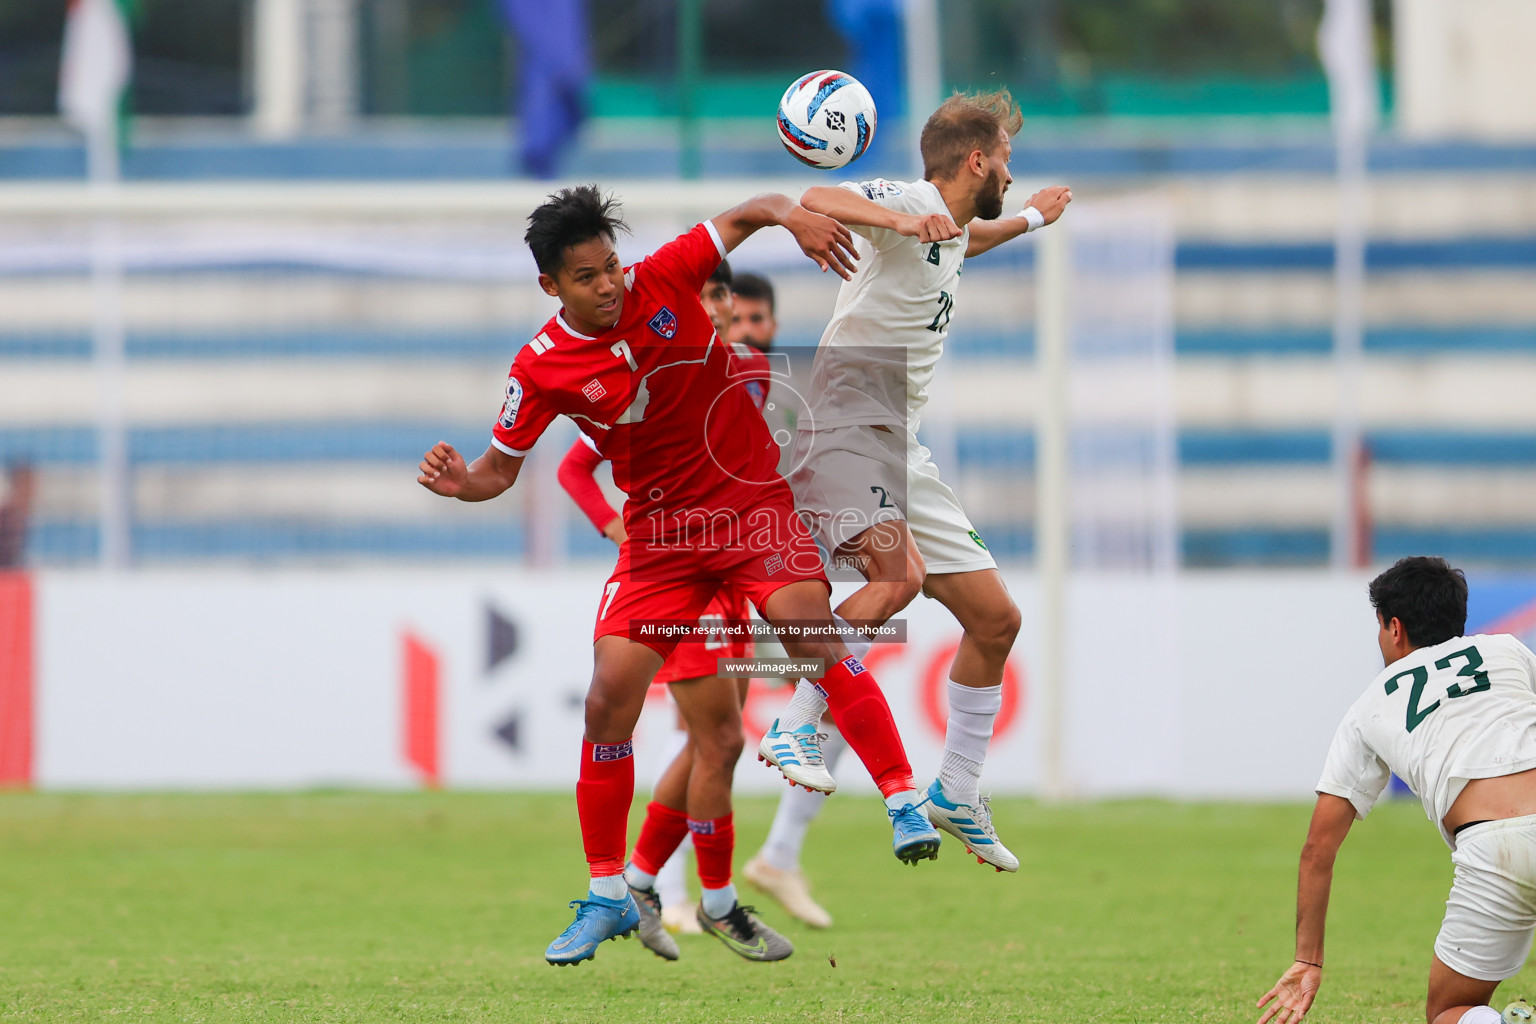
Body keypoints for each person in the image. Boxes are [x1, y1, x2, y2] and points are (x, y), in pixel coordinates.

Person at [418, 184, 942, 968]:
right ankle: (609, 895)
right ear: (551, 285)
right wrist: (463, 482)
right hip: (660, 539)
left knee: (811, 638)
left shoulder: (664, 277)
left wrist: (791, 215)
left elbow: (745, 213)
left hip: (748, 509)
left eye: (611, 268)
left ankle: (904, 800)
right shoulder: (539, 368)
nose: (608, 285)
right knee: (608, 699)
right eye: (587, 276)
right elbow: (500, 471)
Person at [756, 89, 1072, 872]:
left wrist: (1031, 218)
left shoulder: (953, 224)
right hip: (840, 419)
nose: (1009, 167)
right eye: (1005, 158)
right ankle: (795, 720)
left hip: (900, 439)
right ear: (976, 160)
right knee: (896, 576)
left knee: (997, 621)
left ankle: (957, 789)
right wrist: (900, 219)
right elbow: (819, 197)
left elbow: (969, 237)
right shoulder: (914, 199)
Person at [554, 258, 779, 953]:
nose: (730, 316)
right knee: (722, 741)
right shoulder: (657, 373)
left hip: (728, 570)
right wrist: (615, 526)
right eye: (717, 301)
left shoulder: (755, 375)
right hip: (679, 574)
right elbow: (573, 465)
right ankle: (709, 899)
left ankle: (645, 878)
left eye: (743, 310)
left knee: (712, 742)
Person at [1257, 556, 1536, 1024]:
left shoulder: (1371, 704)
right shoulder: (1508, 650)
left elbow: (1318, 847)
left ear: (1394, 628)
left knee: (1450, 1010)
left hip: (1494, 850)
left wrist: (1308, 960)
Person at [724, 271, 840, 929]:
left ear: (771, 323)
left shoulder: (790, 396)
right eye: (733, 318)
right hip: (715, 574)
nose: (746, 330)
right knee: (706, 729)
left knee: (840, 702)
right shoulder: (696, 380)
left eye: (757, 320)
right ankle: (668, 892)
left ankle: (777, 856)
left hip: (781, 578)